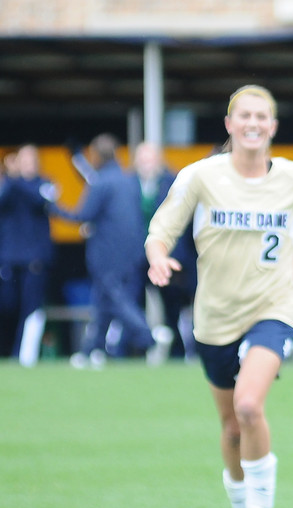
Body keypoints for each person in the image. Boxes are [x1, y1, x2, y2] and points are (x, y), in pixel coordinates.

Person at [145, 85, 293, 508]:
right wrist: (158, 257)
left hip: (274, 309)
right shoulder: (199, 177)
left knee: (248, 405)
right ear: (229, 124)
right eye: (244, 115)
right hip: (215, 317)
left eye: (262, 116)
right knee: (230, 427)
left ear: (273, 127)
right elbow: (160, 230)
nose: (253, 124)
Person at [51, 133, 173, 368]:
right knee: (104, 300)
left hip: (106, 252)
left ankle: (147, 333)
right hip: (132, 251)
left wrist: (52, 207)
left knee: (114, 297)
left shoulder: (101, 182)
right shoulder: (129, 179)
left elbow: (82, 215)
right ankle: (91, 350)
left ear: (96, 155)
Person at [133, 141, 195, 360]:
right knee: (134, 306)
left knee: (172, 309)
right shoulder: (129, 185)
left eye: (149, 159)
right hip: (138, 259)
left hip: (169, 258)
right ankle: (137, 351)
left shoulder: (174, 183)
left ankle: (177, 353)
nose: (146, 164)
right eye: (142, 159)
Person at [0, 145, 56, 366]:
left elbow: (40, 201)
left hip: (35, 259)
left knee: (30, 308)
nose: (26, 164)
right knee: (8, 305)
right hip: (9, 258)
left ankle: (23, 355)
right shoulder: (9, 185)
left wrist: (15, 180)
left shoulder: (44, 183)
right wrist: (10, 179)